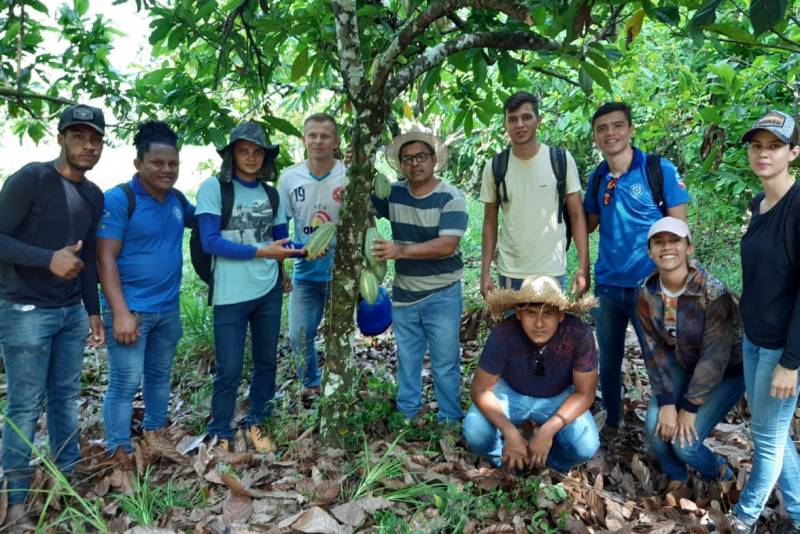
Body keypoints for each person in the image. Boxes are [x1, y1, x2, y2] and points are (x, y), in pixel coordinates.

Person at [0, 104, 106, 525]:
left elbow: (90, 256)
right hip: (25, 309)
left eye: (95, 138)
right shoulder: (32, 179)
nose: (88, 145)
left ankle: (68, 482)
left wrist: (93, 310)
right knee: (25, 406)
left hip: (68, 313)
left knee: (65, 399)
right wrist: (48, 260)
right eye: (79, 136)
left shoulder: (93, 194)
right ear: (61, 137)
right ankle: (16, 505)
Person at [584, 102, 691, 431]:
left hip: (652, 288)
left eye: (617, 126)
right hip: (608, 286)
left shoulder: (659, 170)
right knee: (609, 360)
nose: (610, 133)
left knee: (659, 359)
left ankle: (666, 429)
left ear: (631, 129)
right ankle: (613, 422)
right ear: (595, 136)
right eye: (602, 128)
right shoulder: (599, 177)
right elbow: (587, 224)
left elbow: (680, 230)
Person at [196, 122, 298, 452]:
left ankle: (257, 421)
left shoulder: (271, 194)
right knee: (229, 367)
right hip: (230, 293)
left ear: (265, 157)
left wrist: (292, 258)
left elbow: (281, 240)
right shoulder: (215, 189)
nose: (251, 157)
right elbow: (210, 241)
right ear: (232, 155)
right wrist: (261, 251)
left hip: (268, 290)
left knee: (266, 361)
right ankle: (220, 429)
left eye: (257, 152)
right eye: (244, 151)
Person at [97, 121, 194, 462]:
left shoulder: (178, 200)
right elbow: (104, 257)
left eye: (173, 163)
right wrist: (120, 313)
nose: (166, 170)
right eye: (158, 163)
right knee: (124, 382)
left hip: (167, 310)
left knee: (159, 375)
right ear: (138, 164)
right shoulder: (120, 199)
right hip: (131, 311)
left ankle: (156, 435)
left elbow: (212, 224)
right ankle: (119, 451)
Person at [726, 111, 800, 534]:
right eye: (757, 146)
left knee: (767, 437)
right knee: (773, 432)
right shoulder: (759, 204)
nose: (763, 154)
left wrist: (792, 362)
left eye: (774, 146)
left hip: (781, 348)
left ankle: (744, 518)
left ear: (794, 152)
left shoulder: (797, 205)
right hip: (755, 340)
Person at [636, 217, 744, 490]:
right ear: (650, 251)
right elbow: (653, 349)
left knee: (686, 444)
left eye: (675, 241)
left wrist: (689, 407)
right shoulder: (645, 292)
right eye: (659, 242)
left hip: (728, 372)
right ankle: (677, 474)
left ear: (689, 248)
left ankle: (721, 474)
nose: (667, 248)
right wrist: (667, 402)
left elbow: (715, 355)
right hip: (683, 363)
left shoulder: (712, 291)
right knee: (655, 429)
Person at [372, 128, 467, 423]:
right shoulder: (394, 193)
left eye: (421, 157)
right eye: (408, 159)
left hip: (442, 294)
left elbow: (446, 245)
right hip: (405, 295)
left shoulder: (451, 197)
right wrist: (349, 161)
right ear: (401, 165)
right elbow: (363, 198)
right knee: (408, 360)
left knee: (444, 364)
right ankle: (407, 416)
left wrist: (399, 250)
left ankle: (450, 420)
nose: (415, 164)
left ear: (434, 159)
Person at [463, 275, 599, 471]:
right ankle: (501, 460)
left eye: (548, 314)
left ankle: (552, 465)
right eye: (531, 313)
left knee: (585, 444)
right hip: (511, 391)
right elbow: (480, 390)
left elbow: (585, 393)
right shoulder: (504, 334)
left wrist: (548, 431)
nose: (539, 324)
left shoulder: (579, 334)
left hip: (558, 395)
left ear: (561, 314)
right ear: (518, 313)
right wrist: (510, 433)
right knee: (476, 431)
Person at [480, 91, 589, 296]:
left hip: (552, 272)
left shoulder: (561, 160)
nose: (519, 124)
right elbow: (489, 222)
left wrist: (583, 267)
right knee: (512, 328)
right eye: (512, 119)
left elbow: (576, 216)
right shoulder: (495, 167)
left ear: (538, 120)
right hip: (510, 272)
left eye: (526, 117)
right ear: (505, 125)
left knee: (549, 328)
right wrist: (484, 273)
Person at [277, 113, 345, 392]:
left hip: (342, 272)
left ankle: (340, 388)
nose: (318, 141)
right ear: (304, 139)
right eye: (312, 135)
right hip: (305, 272)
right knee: (298, 336)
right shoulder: (290, 177)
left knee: (339, 336)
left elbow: (366, 221)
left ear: (336, 141)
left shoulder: (348, 174)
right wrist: (281, 268)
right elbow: (280, 227)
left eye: (324, 136)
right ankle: (311, 385)